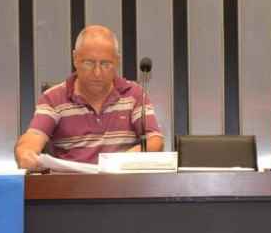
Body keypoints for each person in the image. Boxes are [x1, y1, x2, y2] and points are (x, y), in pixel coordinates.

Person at [15, 25, 163, 170]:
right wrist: (26, 153)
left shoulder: (134, 94)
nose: (97, 73)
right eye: (89, 63)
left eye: (105, 64)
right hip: (71, 183)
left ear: (117, 61)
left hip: (119, 182)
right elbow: (34, 136)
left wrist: (123, 160)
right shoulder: (54, 98)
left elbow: (155, 140)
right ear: (75, 58)